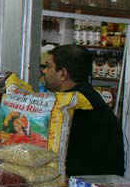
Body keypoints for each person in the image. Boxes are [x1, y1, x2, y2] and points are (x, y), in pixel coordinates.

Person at [41, 44, 124, 177]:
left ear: (63, 74)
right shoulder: (87, 96)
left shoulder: (74, 105)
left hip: (86, 184)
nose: (44, 71)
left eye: (48, 66)